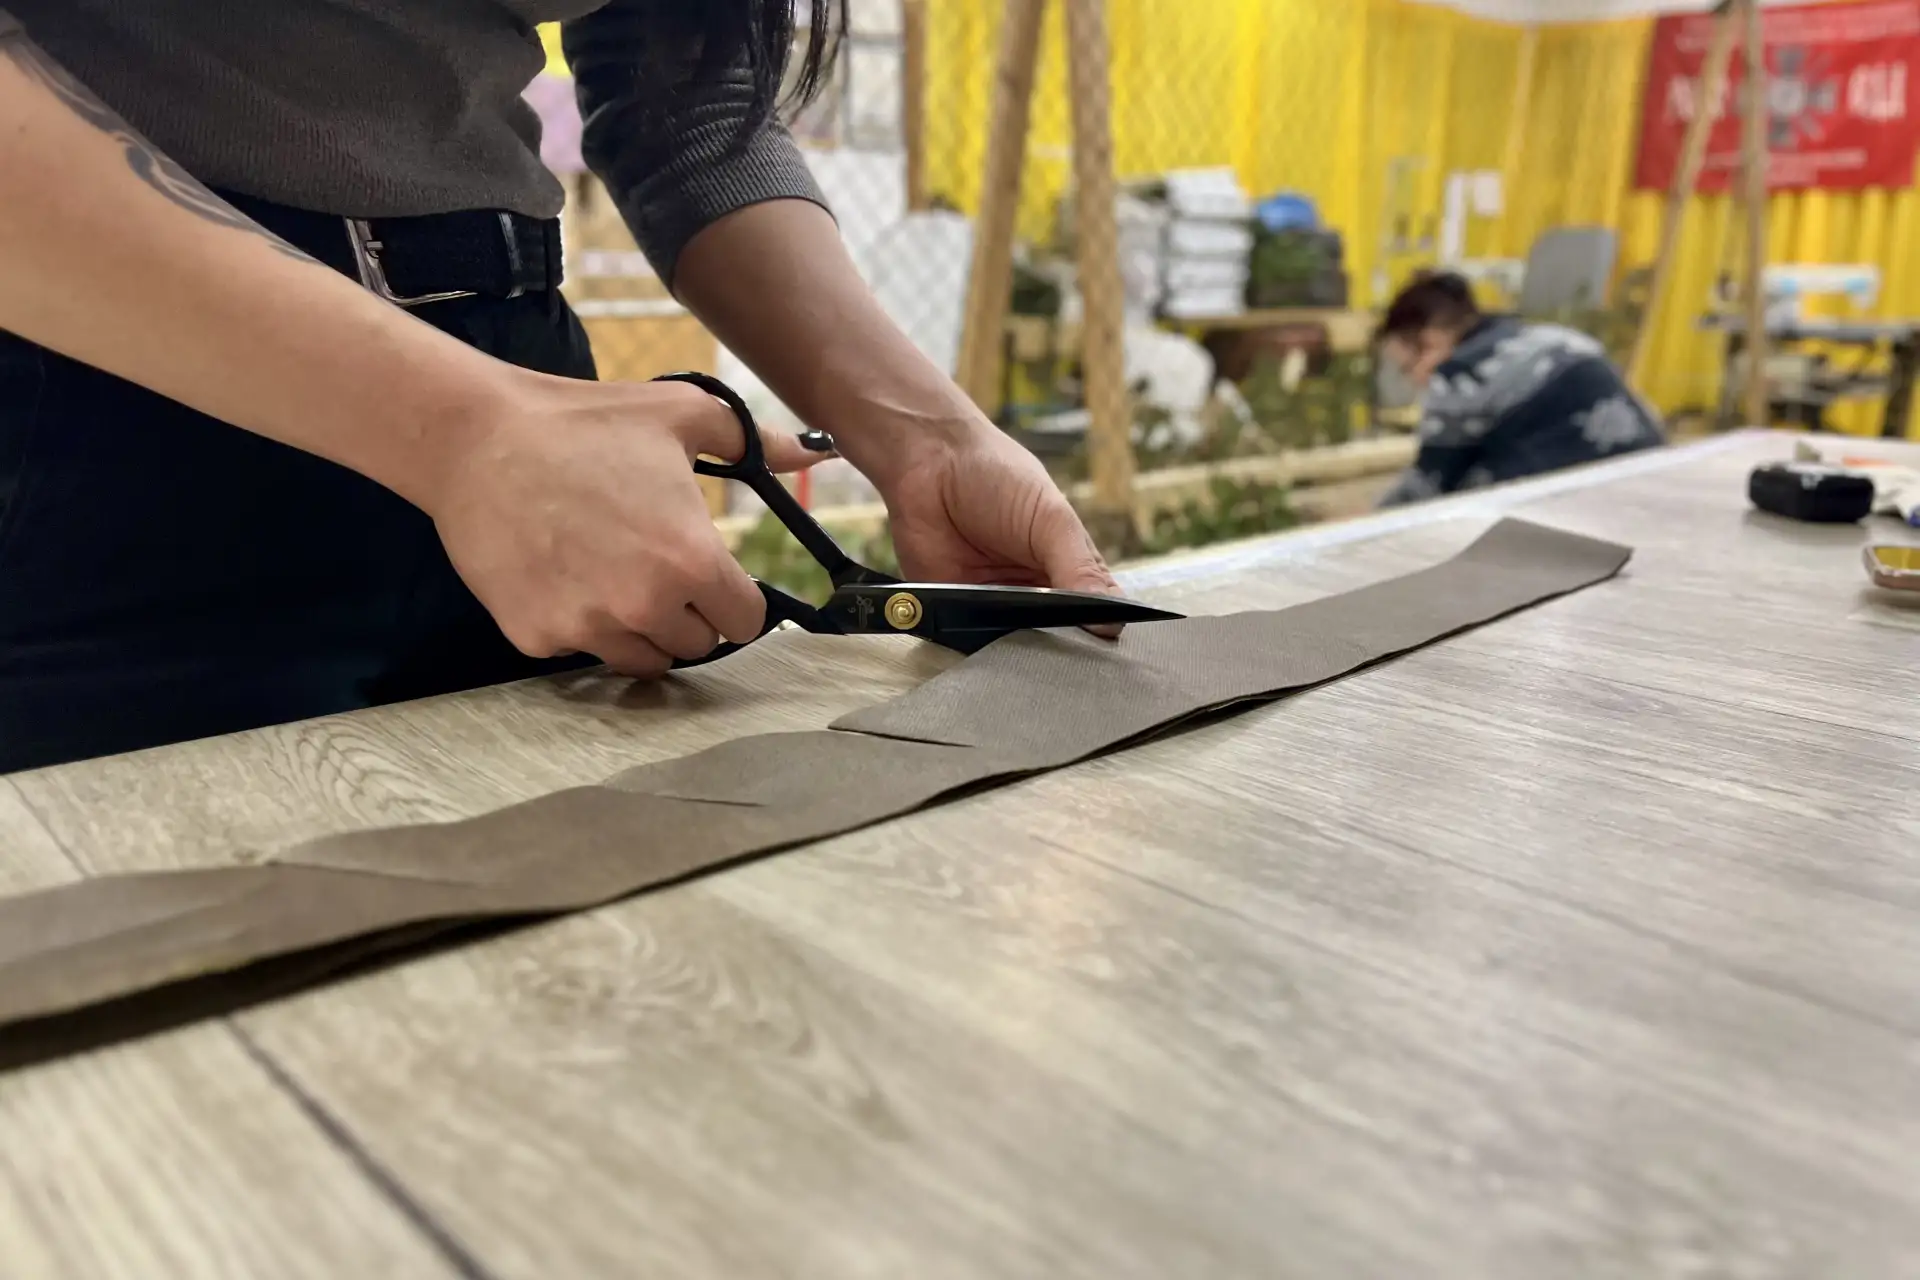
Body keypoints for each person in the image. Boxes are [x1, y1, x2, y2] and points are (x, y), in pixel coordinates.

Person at [0, 3, 1119, 775]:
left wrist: (924, 437)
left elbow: (684, 83)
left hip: (523, 392)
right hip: (112, 413)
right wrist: (462, 433)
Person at [1372, 271, 1665, 508]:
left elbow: (1428, 484)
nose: (1415, 381)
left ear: (1430, 342)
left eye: (1407, 368)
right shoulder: (1553, 337)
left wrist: (1367, 522)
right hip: (1652, 474)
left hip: (1587, 501)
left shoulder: (1462, 372)